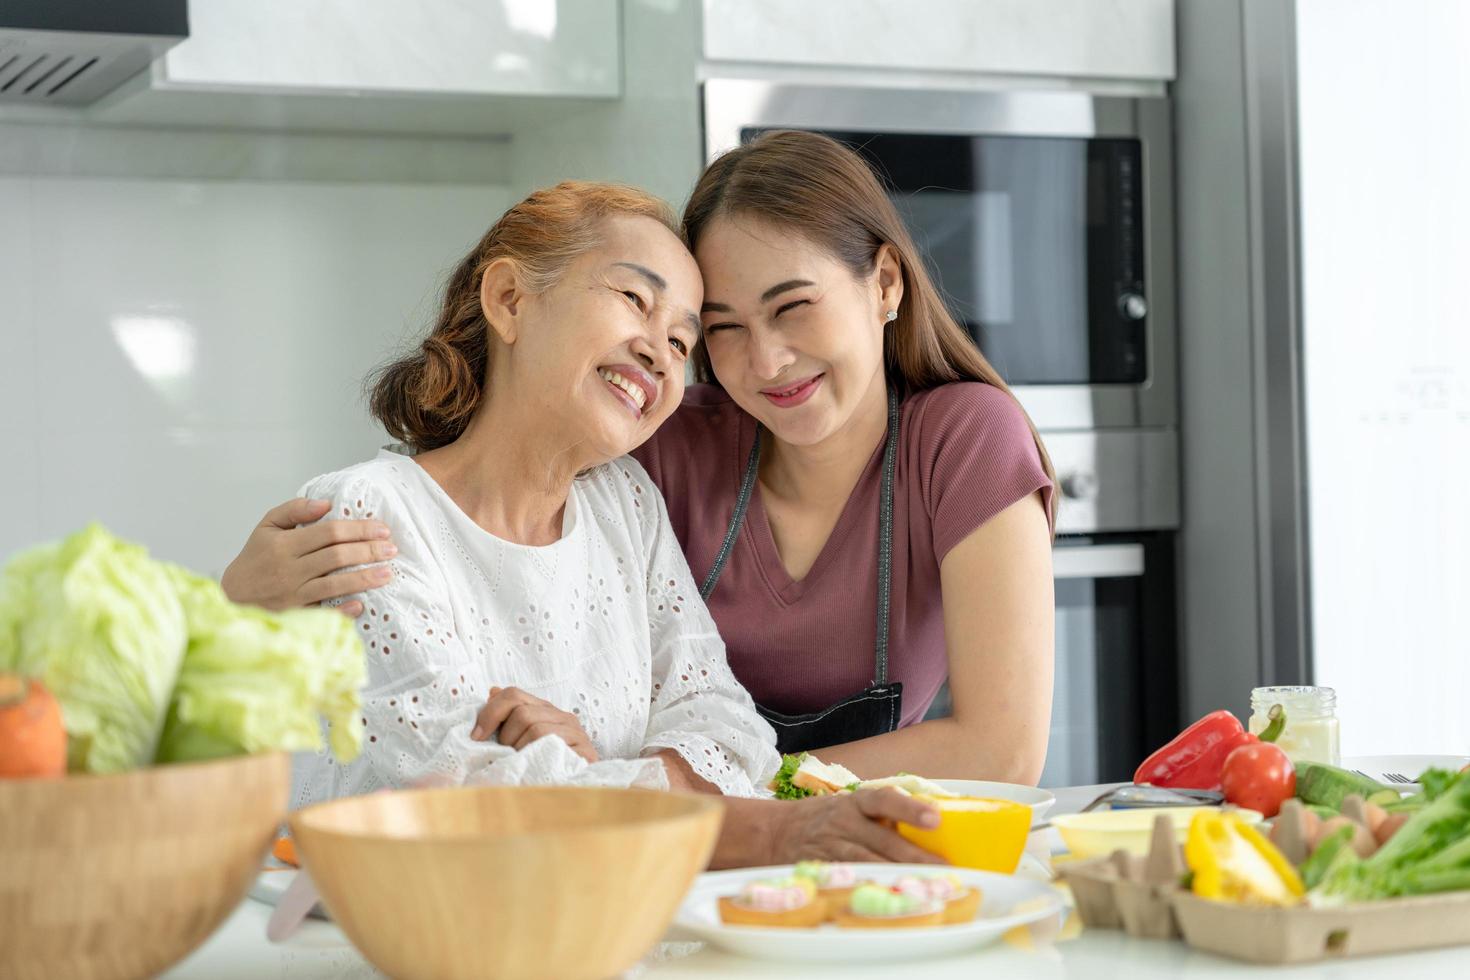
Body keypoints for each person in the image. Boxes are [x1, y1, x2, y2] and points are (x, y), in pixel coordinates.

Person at [225, 131, 1056, 786]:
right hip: (649, 872)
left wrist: (664, 786)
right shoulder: (657, 453)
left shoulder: (964, 441)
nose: (763, 362)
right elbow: (468, 520)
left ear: (885, 284)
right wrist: (232, 611)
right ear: (510, 299)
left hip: (812, 862)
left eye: (793, 307)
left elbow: (1002, 750)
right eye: (723, 329)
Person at [281, 179, 941, 868]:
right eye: (635, 300)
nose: (661, 351)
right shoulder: (370, 513)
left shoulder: (624, 503)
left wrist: (591, 770)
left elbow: (730, 730)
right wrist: (659, 784)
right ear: (509, 299)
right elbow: (468, 798)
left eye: (685, 341)